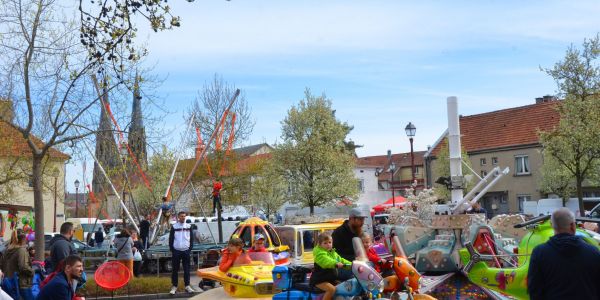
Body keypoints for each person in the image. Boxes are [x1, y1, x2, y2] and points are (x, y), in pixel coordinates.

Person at [527, 208, 600, 300]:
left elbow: (534, 290)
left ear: (551, 225)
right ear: (573, 226)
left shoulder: (539, 253)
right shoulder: (593, 252)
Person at [309, 232, 351, 300]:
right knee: (331, 289)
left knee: (344, 286)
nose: (328, 245)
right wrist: (335, 263)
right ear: (320, 244)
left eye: (329, 242)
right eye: (325, 243)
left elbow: (341, 260)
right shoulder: (319, 254)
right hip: (319, 280)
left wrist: (353, 264)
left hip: (329, 279)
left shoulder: (332, 253)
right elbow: (326, 261)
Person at [169, 211, 195, 295]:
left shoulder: (189, 226)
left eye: (184, 216)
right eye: (181, 216)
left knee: (187, 269)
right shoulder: (174, 226)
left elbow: (191, 239)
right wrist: (172, 249)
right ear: (178, 217)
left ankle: (187, 286)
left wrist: (189, 249)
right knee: (175, 269)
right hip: (176, 251)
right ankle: (174, 286)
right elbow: (171, 239)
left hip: (186, 251)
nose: (183, 217)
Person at [2, 230, 34, 300]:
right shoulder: (21, 250)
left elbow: (2, 266)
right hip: (22, 284)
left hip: (8, 284)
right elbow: (24, 267)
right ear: (23, 239)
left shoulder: (6, 251)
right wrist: (32, 271)